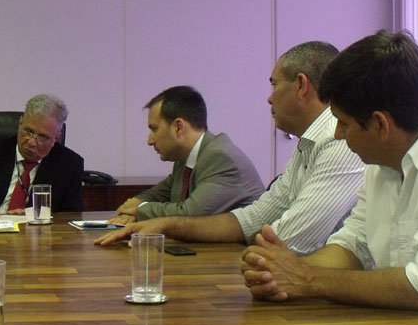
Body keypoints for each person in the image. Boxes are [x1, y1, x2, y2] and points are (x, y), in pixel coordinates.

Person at [241, 31, 418, 317]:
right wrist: (276, 272)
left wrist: (307, 279)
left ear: (381, 125)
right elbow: (354, 244)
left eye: (343, 124)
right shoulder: (383, 160)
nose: (337, 134)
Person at [96, 41, 365, 252]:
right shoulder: (307, 144)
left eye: (274, 84)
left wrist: (154, 218)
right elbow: (252, 218)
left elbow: (291, 239)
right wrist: (164, 224)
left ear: (301, 85)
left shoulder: (337, 142)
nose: (269, 98)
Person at [109, 86, 263, 225]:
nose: (150, 140)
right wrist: (136, 202)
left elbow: (190, 214)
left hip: (242, 253)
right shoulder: (187, 158)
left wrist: (139, 211)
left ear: (178, 127)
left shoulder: (221, 158)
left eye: (154, 129)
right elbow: (161, 192)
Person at [0, 94, 84, 216]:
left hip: (38, 233)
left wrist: (34, 216)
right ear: (20, 123)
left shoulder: (70, 164)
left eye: (43, 137)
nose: (32, 142)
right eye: (28, 131)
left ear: (56, 138)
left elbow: (70, 216)